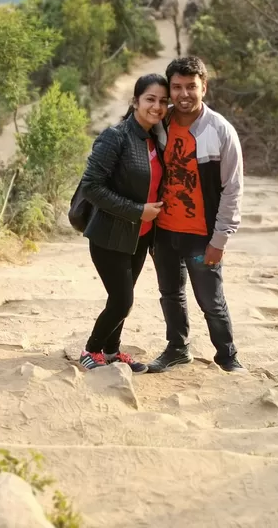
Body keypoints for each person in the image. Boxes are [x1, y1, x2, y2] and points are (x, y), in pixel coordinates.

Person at [147, 56, 246, 374]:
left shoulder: (220, 131)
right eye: (177, 87)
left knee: (211, 301)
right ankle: (177, 349)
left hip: (202, 236)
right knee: (170, 294)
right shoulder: (159, 124)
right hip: (163, 231)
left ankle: (227, 356)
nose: (184, 94)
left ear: (204, 87)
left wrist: (220, 238)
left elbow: (233, 189)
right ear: (169, 90)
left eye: (191, 86)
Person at [77, 74, 170, 373]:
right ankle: (90, 350)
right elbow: (92, 186)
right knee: (122, 300)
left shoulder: (155, 139)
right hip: (109, 234)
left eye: (162, 101)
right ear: (135, 102)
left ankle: (112, 351)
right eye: (150, 99)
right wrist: (136, 210)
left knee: (122, 298)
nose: (156, 107)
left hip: (139, 237)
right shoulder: (115, 137)